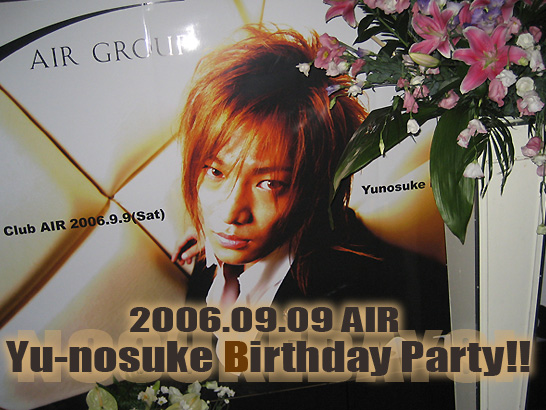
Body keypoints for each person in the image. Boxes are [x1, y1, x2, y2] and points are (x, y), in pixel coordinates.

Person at [173, 25, 450, 333]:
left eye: (270, 183)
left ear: (315, 187)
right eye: (216, 171)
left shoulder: (371, 300)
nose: (230, 213)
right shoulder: (211, 260)